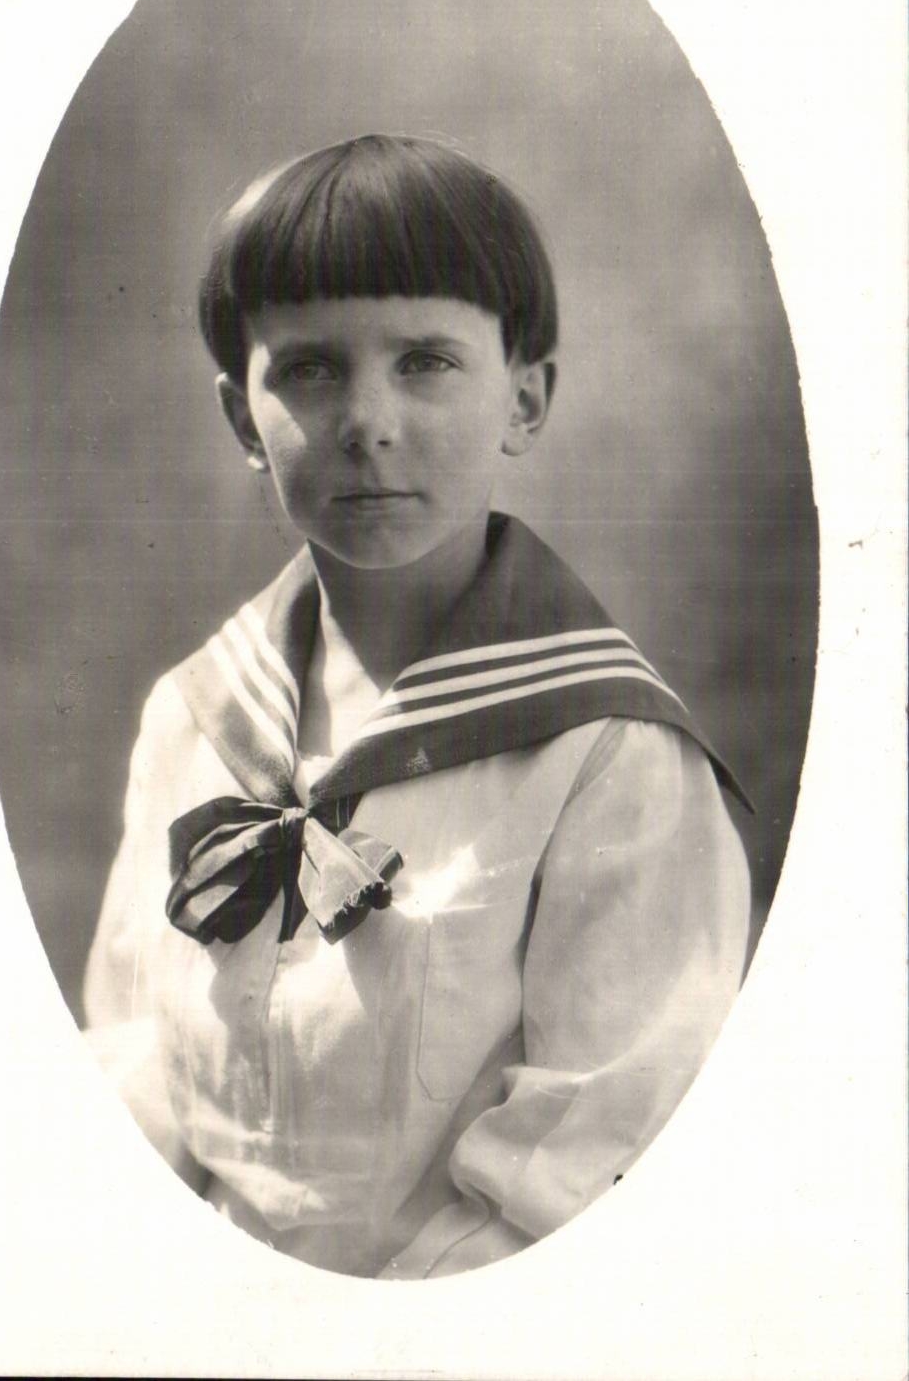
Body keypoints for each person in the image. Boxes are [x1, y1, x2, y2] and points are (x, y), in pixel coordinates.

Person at [83, 133, 752, 1279]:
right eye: (309, 368)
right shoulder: (192, 718)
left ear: (524, 400)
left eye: (427, 361)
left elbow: (591, 1161)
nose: (367, 420)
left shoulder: (606, 751)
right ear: (242, 419)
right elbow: (133, 1073)